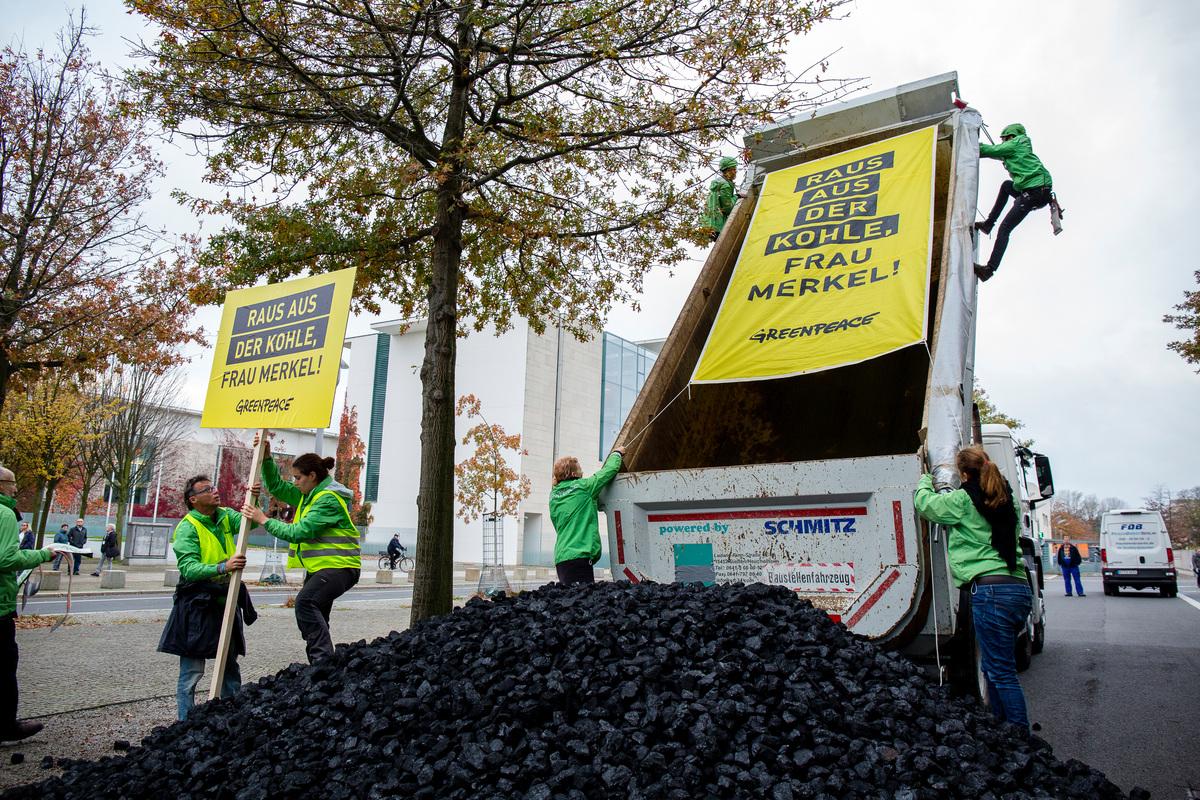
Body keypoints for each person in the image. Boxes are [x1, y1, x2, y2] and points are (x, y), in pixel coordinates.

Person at [913, 445, 1032, 730]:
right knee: (993, 666)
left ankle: (1020, 736)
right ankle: (1003, 729)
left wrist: (924, 477)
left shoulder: (963, 501)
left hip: (990, 592)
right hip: (1017, 588)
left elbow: (926, 504)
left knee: (1002, 671)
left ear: (964, 474)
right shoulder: (1008, 500)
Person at [242, 439, 360, 664]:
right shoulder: (310, 495)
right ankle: (321, 667)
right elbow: (277, 487)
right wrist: (267, 458)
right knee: (318, 617)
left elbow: (299, 532)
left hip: (339, 568)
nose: (294, 483)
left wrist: (263, 520)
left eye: (298, 478)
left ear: (312, 476)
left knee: (305, 604)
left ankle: (323, 664)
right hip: (322, 569)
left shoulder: (327, 499)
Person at [158, 475, 256, 720]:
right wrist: (223, 568)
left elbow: (250, 522)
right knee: (192, 671)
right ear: (193, 499)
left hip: (225, 600)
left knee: (229, 666)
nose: (215, 491)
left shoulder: (224, 516)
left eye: (214, 486)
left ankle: (230, 718)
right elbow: (189, 568)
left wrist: (255, 495)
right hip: (197, 606)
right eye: (207, 489)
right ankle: (185, 722)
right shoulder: (188, 527)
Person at [0, 465, 61, 741]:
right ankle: (5, 725)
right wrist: (41, 555)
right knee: (5, 665)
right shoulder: (5, 514)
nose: (15, 488)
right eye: (12, 483)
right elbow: (6, 558)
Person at [974, 123, 1054, 282]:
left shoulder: (1017, 142)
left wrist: (970, 143)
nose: (1003, 143)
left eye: (1004, 140)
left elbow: (990, 150)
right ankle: (988, 224)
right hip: (1037, 191)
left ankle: (989, 270)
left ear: (1010, 136)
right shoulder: (1017, 147)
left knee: (1005, 229)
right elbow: (997, 153)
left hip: (1034, 192)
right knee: (1006, 186)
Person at [549, 447, 624, 585]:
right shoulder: (584, 487)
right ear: (573, 473)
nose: (582, 471)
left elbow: (557, 524)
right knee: (582, 602)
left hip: (561, 557)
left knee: (570, 601)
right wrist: (617, 453)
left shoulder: (554, 496)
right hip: (579, 556)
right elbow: (608, 472)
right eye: (579, 468)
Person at [702, 157, 740, 242]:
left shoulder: (718, 182)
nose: (735, 171)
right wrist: (737, 197)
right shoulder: (725, 185)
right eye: (733, 169)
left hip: (711, 223)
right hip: (719, 225)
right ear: (727, 171)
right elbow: (727, 207)